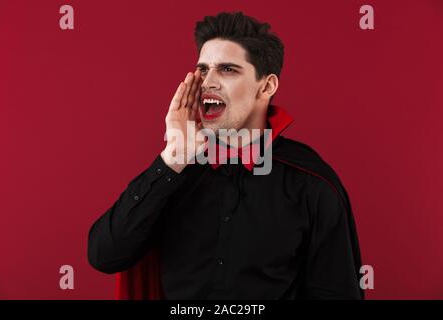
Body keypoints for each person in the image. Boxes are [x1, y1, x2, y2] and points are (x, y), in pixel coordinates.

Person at [88, 11, 364, 300]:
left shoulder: (312, 183)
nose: (208, 82)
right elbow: (105, 256)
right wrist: (172, 158)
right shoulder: (176, 170)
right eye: (203, 69)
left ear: (267, 86)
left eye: (227, 69)